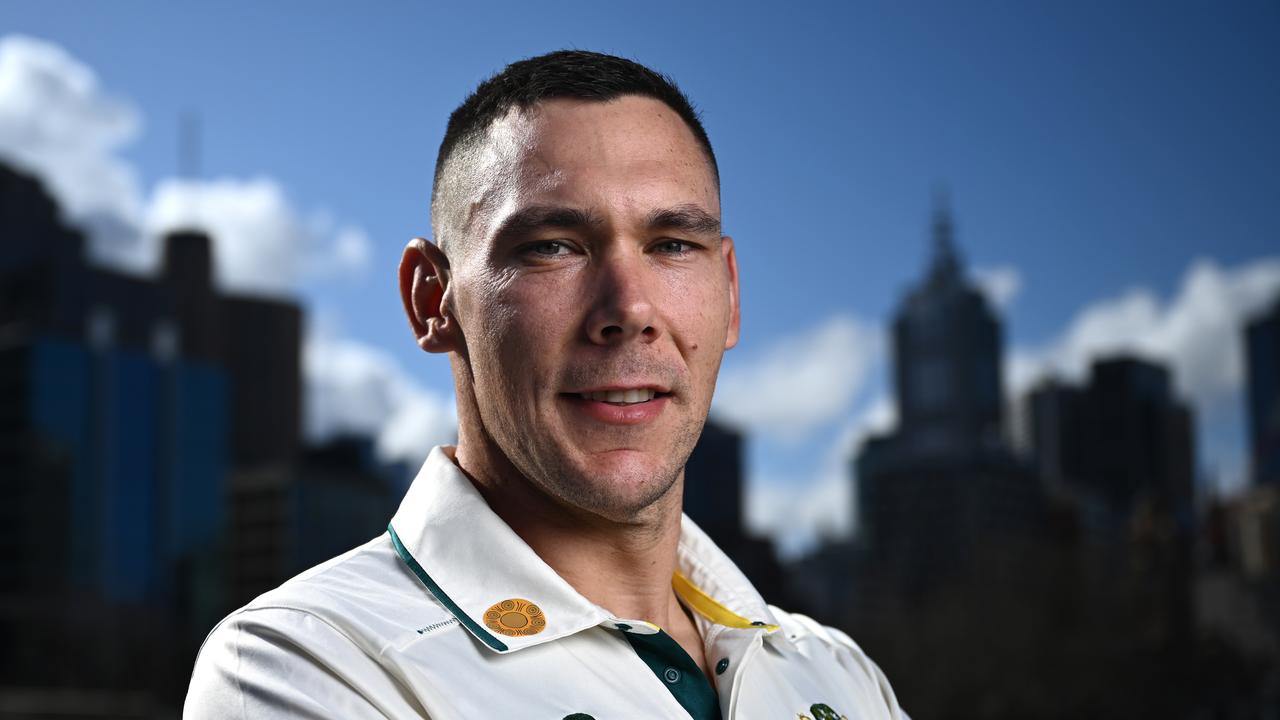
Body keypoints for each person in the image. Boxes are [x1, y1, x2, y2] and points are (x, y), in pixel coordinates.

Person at [185, 50, 905, 720]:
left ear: (731, 294)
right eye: (552, 247)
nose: (629, 309)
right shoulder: (305, 662)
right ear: (432, 299)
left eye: (672, 244)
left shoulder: (840, 675)